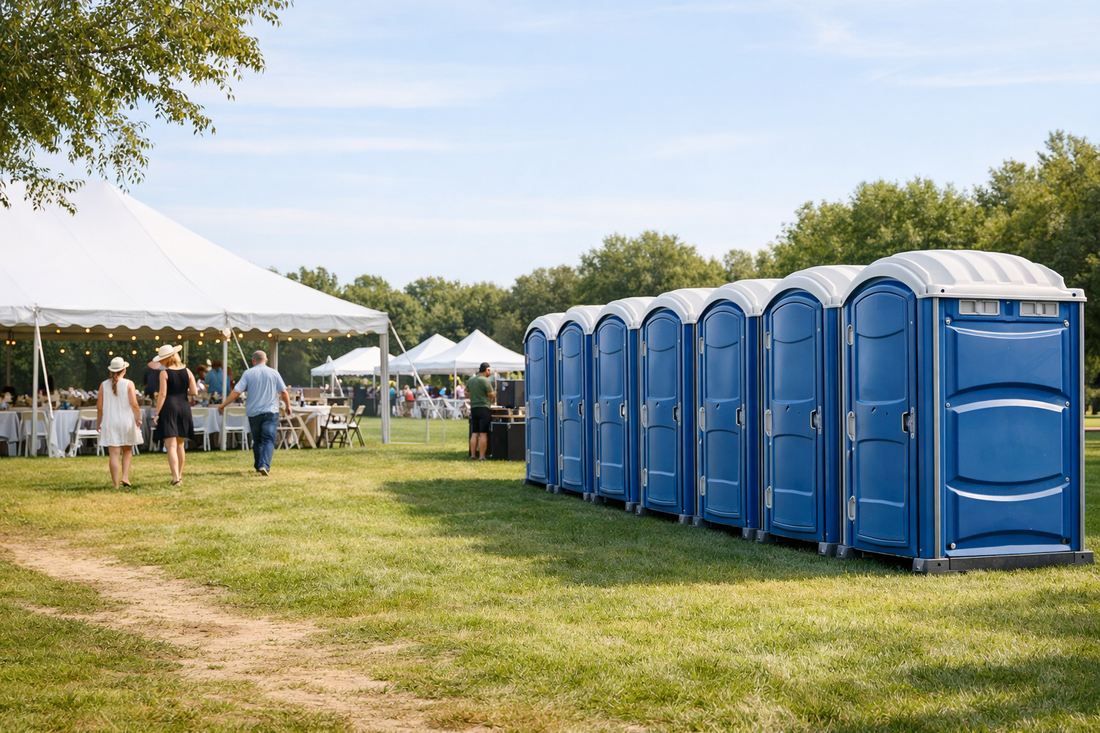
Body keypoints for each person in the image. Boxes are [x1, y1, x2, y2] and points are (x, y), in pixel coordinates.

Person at [218, 350, 292, 477]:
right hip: (270, 412)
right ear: (266, 360)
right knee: (268, 439)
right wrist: (288, 407)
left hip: (254, 413)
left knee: (257, 440)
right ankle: (264, 465)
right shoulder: (274, 373)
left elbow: (236, 391)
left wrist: (223, 405)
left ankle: (259, 465)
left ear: (253, 361)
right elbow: (284, 392)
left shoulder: (248, 373)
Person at [152, 344, 197, 486]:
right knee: (180, 445)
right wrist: (182, 392)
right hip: (184, 406)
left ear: (165, 360)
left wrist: (157, 413)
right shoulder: (188, 371)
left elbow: (163, 394)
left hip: (169, 407)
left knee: (170, 445)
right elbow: (194, 392)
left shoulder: (164, 373)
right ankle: (180, 476)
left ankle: (175, 477)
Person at [96, 356, 143, 489]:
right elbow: (134, 403)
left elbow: (99, 407)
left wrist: (99, 423)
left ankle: (116, 484)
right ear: (124, 369)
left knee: (114, 454)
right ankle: (125, 476)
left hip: (110, 421)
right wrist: (139, 417)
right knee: (127, 450)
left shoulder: (103, 385)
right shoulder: (129, 383)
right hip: (126, 420)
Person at [466, 362, 495, 460]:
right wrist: (492, 401)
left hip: (474, 408)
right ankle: (482, 456)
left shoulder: (471, 380)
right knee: (483, 433)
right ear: (487, 370)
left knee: (475, 433)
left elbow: (466, 393)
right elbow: (491, 394)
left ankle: (473, 455)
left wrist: (474, 397)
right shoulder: (485, 381)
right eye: (489, 370)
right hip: (484, 407)